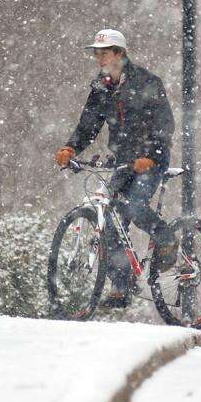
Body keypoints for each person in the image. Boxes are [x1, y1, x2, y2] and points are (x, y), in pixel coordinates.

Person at [55, 29, 177, 308]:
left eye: (105, 53)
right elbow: (89, 124)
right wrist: (71, 147)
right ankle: (122, 285)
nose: (99, 58)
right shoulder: (101, 87)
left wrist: (150, 155)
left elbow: (164, 124)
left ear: (120, 53)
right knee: (108, 221)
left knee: (134, 206)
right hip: (123, 160)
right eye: (96, 53)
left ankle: (167, 238)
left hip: (151, 159)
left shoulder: (147, 82)